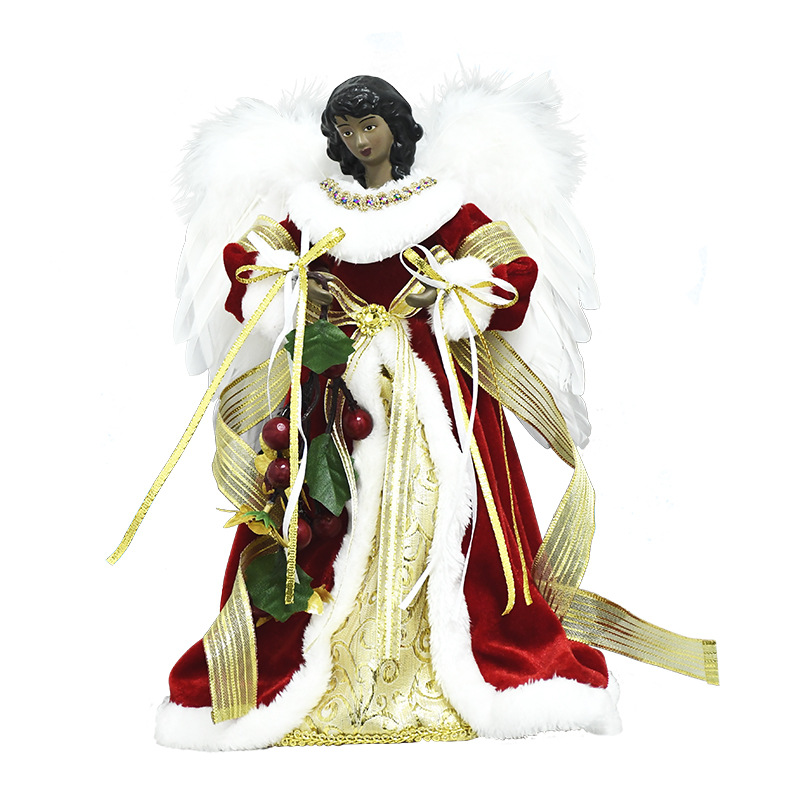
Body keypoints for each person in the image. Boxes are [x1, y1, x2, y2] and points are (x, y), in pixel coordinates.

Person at [152, 76, 715, 750]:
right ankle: (317, 667)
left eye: (370, 126)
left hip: (433, 394)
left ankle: (453, 657)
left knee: (454, 517)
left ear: (396, 126)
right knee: (321, 517)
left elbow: (514, 274)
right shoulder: (314, 208)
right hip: (334, 393)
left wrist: (449, 292)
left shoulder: (442, 206)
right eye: (347, 130)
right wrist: (299, 284)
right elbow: (247, 263)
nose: (360, 140)